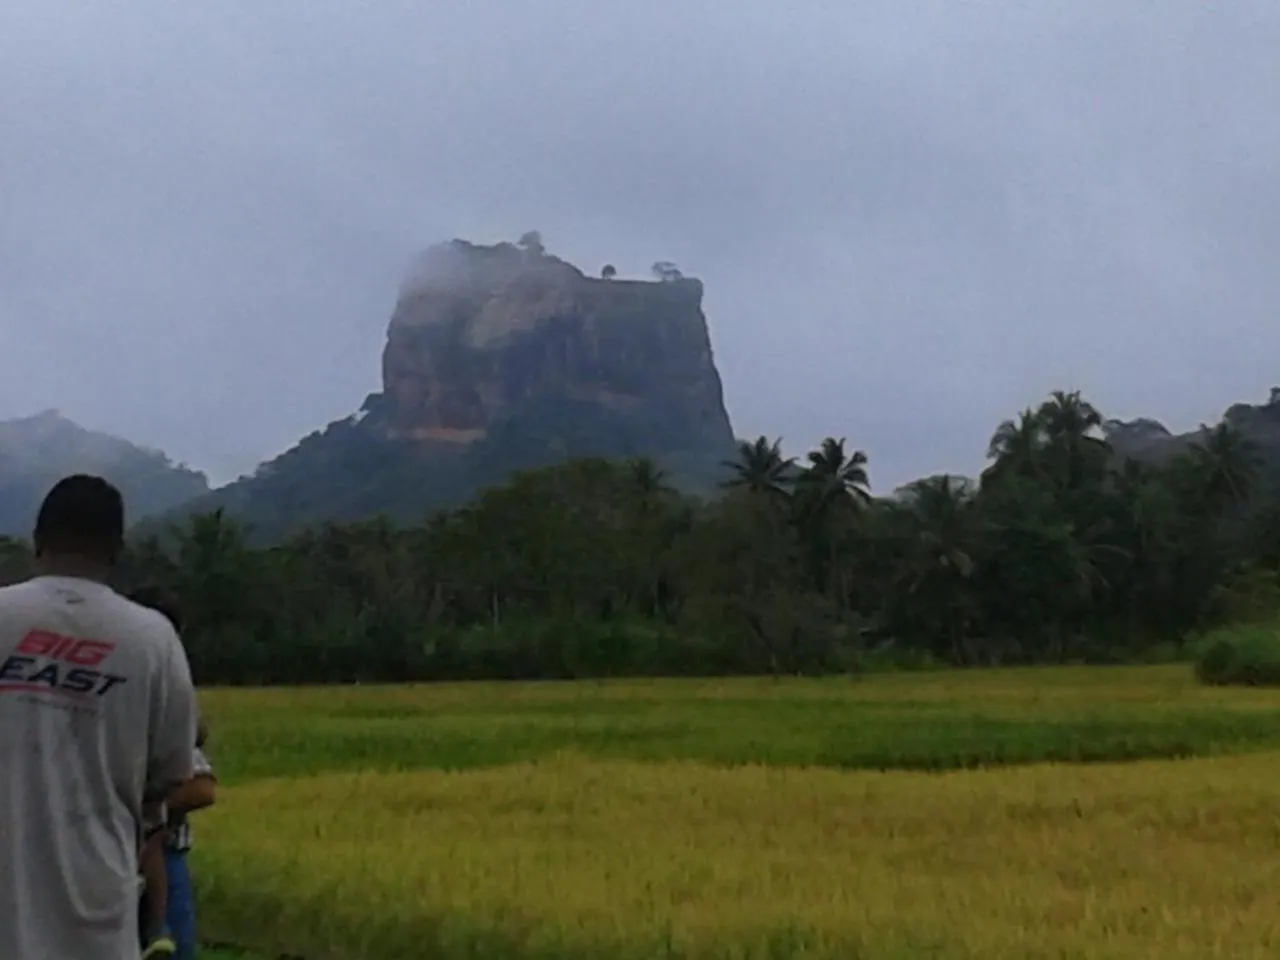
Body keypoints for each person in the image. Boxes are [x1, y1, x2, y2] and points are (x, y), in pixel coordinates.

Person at [0, 475, 198, 960]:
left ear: (37, 539)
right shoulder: (153, 639)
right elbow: (173, 774)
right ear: (117, 550)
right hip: (96, 912)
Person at [129, 585, 217, 960]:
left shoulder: (165, 692)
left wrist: (138, 806)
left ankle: (157, 930)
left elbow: (202, 788)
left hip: (157, 849)